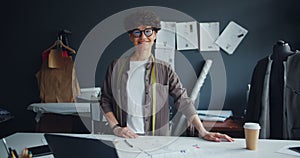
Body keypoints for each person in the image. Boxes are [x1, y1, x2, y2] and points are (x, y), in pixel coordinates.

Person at [100, 10, 234, 142]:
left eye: (148, 31)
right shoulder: (116, 66)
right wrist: (116, 128)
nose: (142, 37)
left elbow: (183, 101)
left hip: (157, 140)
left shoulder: (165, 69)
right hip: (124, 138)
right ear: (130, 36)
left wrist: (203, 131)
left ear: (155, 35)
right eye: (137, 32)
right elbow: (105, 101)